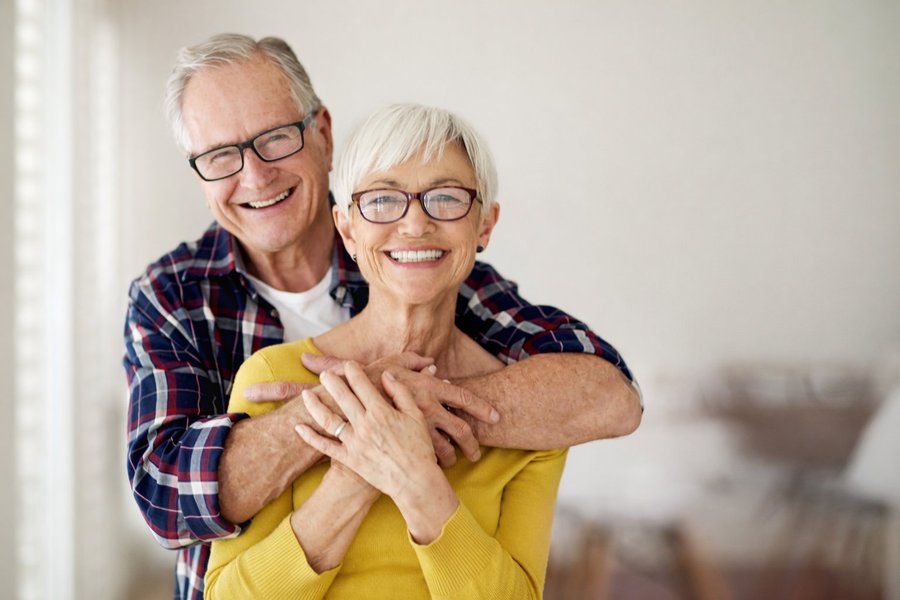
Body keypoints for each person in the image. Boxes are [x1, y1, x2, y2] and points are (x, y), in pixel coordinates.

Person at [123, 33, 641, 600]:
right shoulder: (174, 295)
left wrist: (409, 411)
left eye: (274, 139)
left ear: (321, 134)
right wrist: (368, 410)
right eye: (221, 156)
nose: (255, 176)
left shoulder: (432, 273)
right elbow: (166, 497)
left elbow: (609, 395)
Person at [205, 102, 569, 599]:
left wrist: (414, 477)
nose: (415, 225)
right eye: (381, 201)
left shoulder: (534, 416)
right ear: (347, 228)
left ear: (485, 224)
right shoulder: (271, 376)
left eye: (445, 198)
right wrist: (357, 472)